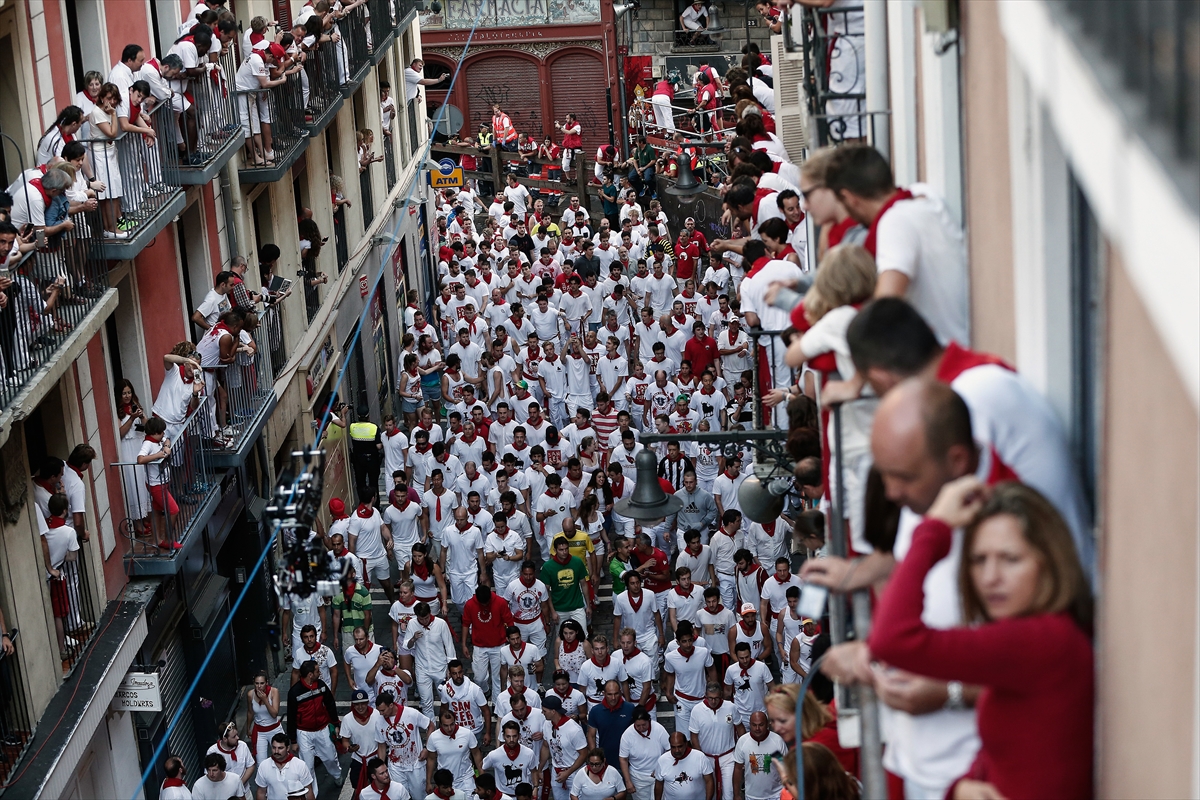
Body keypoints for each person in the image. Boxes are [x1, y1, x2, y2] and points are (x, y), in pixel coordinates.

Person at [867, 478, 1094, 800]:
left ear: (1049, 561)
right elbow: (1003, 753)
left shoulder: (1043, 640)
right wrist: (961, 788)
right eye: (978, 560)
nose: (990, 578)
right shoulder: (1037, 637)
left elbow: (891, 639)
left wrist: (933, 529)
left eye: (1010, 559)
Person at [822, 144, 969, 345]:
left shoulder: (894, 222)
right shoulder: (924, 198)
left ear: (850, 198)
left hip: (939, 359)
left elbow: (885, 309)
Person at [286, 660, 342, 784]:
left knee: (330, 758)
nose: (320, 673)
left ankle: (337, 775)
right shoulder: (294, 693)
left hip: (322, 729)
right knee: (307, 766)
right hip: (304, 733)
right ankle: (312, 794)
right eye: (317, 671)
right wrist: (294, 741)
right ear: (310, 674)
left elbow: (330, 705)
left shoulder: (321, 685)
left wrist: (336, 724)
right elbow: (291, 717)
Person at [375, 690, 434, 800]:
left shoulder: (411, 713)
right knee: (398, 796)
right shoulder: (379, 721)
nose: (381, 714)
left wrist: (427, 748)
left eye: (383, 710)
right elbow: (381, 745)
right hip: (395, 766)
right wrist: (382, 766)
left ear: (391, 705)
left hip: (416, 764)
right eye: (379, 711)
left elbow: (430, 725)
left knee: (420, 796)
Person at [404, 602, 458, 719]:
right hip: (422, 669)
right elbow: (406, 646)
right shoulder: (412, 624)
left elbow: (449, 646)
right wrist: (413, 639)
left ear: (430, 613)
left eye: (426, 618)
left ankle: (448, 725)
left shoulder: (441, 624)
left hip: (440, 668)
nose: (424, 621)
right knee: (426, 703)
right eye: (421, 619)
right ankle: (431, 731)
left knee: (447, 699)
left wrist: (451, 668)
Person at [462, 584, 514, 701]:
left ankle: (496, 704)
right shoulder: (470, 605)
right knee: (479, 678)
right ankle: (485, 690)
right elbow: (465, 624)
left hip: (498, 645)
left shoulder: (500, 603)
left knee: (498, 678)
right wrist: (464, 644)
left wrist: (511, 639)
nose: (485, 606)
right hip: (479, 646)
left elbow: (509, 621)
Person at [661, 623, 714, 735]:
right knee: (683, 735)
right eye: (684, 641)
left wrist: (714, 689)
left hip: (701, 699)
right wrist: (668, 693)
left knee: (703, 732)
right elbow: (670, 674)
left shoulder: (703, 652)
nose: (688, 644)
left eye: (690, 640)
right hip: (681, 699)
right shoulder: (670, 657)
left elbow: (711, 670)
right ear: (678, 642)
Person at [687, 683, 738, 800]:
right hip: (706, 757)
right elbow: (693, 735)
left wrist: (742, 751)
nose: (713, 701)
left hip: (728, 756)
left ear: (721, 696)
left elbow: (739, 728)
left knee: (729, 793)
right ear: (705, 695)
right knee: (709, 792)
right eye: (710, 698)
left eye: (716, 698)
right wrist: (699, 756)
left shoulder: (731, 707)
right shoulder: (697, 710)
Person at [539, 695, 589, 800]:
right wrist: (540, 769)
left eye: (544, 711)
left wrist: (568, 772)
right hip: (556, 771)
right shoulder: (547, 724)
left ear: (553, 711)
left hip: (574, 773)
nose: (542, 713)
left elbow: (584, 754)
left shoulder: (574, 729)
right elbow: (545, 746)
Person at [540, 536, 591, 631]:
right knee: (561, 638)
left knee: (583, 635)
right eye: (561, 550)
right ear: (555, 550)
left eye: (566, 549)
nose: (564, 552)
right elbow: (546, 592)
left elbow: (584, 584)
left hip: (577, 606)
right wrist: (553, 612)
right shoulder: (547, 567)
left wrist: (588, 605)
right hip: (559, 608)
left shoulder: (577, 562)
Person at [427, 708, 484, 792]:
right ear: (441, 724)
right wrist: (428, 782)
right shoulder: (433, 737)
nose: (449, 728)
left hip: (465, 779)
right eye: (446, 725)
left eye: (452, 724)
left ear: (455, 721)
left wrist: (482, 776)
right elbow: (431, 759)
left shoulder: (467, 733)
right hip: (445, 781)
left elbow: (476, 754)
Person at [731, 712, 786, 800]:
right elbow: (738, 768)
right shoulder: (743, 742)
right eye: (754, 725)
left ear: (768, 724)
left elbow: (784, 767)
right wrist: (736, 794)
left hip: (775, 795)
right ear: (750, 725)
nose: (757, 728)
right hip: (751, 796)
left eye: (761, 725)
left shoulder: (777, 741)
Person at [619, 708, 669, 800]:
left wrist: (660, 768)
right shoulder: (627, 735)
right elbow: (623, 759)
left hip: (658, 775)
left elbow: (669, 750)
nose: (641, 728)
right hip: (638, 777)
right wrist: (628, 781)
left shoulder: (659, 729)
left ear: (649, 721)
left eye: (644, 725)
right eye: (638, 726)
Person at [439, 659, 492, 745]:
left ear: (463, 671)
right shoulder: (446, 689)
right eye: (454, 673)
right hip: (456, 730)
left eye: (460, 672)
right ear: (450, 674)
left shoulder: (475, 689)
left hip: (475, 731)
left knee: (476, 754)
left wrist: (488, 733)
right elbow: (443, 710)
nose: (458, 676)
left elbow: (486, 711)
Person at [586, 680, 636, 769]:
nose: (613, 698)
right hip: (606, 759)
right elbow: (591, 736)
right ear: (603, 693)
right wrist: (595, 757)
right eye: (609, 694)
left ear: (621, 692)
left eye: (616, 694)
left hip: (628, 759)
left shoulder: (630, 708)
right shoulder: (595, 711)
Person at [339, 689, 382, 792]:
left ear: (367, 702)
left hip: (375, 758)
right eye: (357, 704)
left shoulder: (377, 715)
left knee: (380, 787)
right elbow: (345, 740)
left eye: (363, 703)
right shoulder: (347, 719)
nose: (360, 707)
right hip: (358, 759)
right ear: (353, 705)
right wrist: (349, 748)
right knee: (357, 785)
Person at [483, 721, 538, 798]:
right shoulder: (494, 755)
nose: (511, 740)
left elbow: (534, 771)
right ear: (503, 736)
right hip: (503, 796)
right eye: (508, 736)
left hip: (523, 796)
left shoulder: (529, 753)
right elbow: (482, 767)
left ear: (519, 736)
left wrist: (535, 787)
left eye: (514, 736)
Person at [653, 733, 713, 800]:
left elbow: (709, 781)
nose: (677, 750)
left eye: (680, 746)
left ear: (686, 744)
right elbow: (659, 784)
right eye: (673, 747)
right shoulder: (662, 760)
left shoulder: (700, 757)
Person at [256, 734, 315, 799]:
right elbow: (261, 792)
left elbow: (309, 792)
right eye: (274, 747)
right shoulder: (264, 765)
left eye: (280, 748)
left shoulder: (300, 765)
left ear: (288, 748)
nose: (276, 751)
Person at [246, 671, 283, 763]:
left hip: (274, 729)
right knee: (261, 762)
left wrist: (265, 700)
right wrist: (248, 728)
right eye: (256, 683)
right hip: (260, 731)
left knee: (281, 757)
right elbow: (250, 712)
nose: (259, 686)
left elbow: (274, 714)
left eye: (262, 683)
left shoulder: (274, 692)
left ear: (266, 683)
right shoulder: (250, 694)